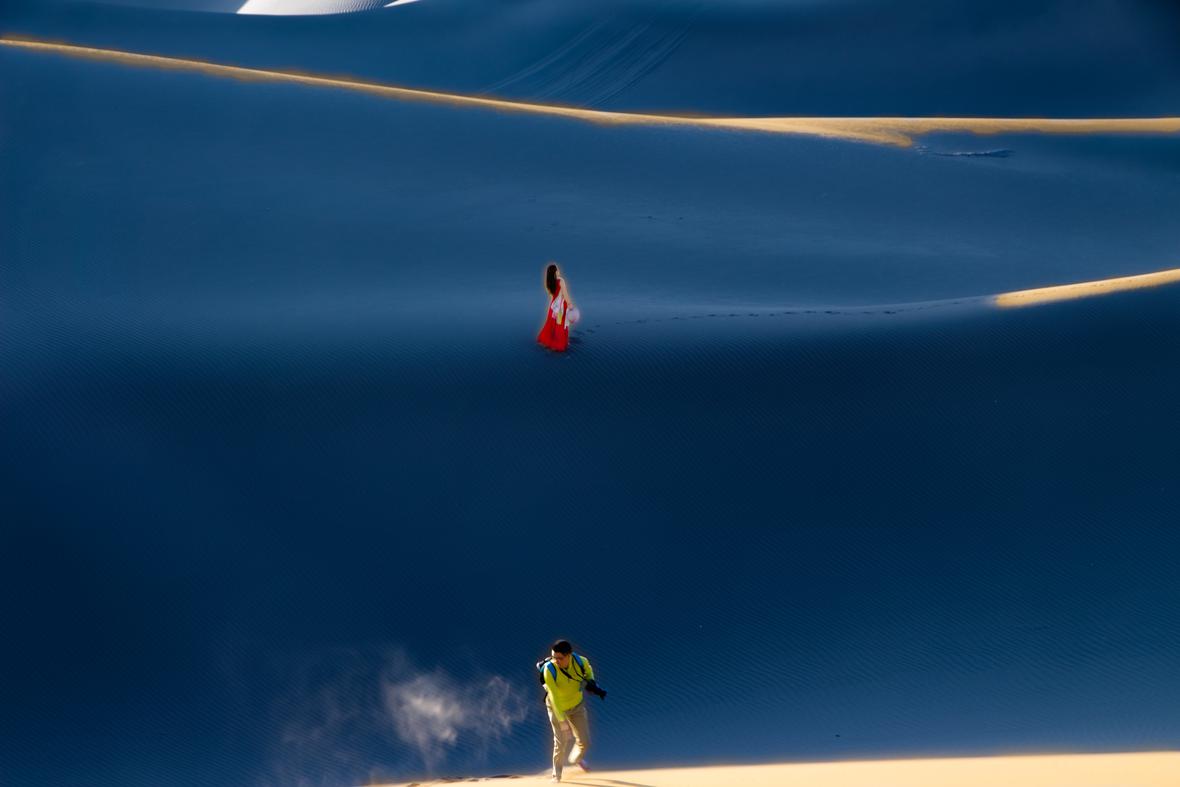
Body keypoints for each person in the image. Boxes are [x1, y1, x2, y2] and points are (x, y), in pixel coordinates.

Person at [539, 640, 602, 782]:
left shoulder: (581, 662)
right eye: (553, 657)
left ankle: (576, 759)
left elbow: (589, 672)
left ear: (569, 655)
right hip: (556, 708)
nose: (556, 661)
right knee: (560, 743)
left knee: (584, 741)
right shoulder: (550, 669)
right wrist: (562, 721)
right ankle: (557, 776)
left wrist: (591, 681)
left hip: (576, 706)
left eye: (560, 658)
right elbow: (553, 697)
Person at [537, 263, 578, 352]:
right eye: (557, 269)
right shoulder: (561, 281)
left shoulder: (549, 283)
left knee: (551, 325)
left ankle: (549, 342)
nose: (558, 270)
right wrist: (570, 304)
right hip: (560, 309)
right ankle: (558, 345)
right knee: (560, 325)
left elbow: (553, 295)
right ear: (555, 271)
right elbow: (565, 295)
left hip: (553, 308)